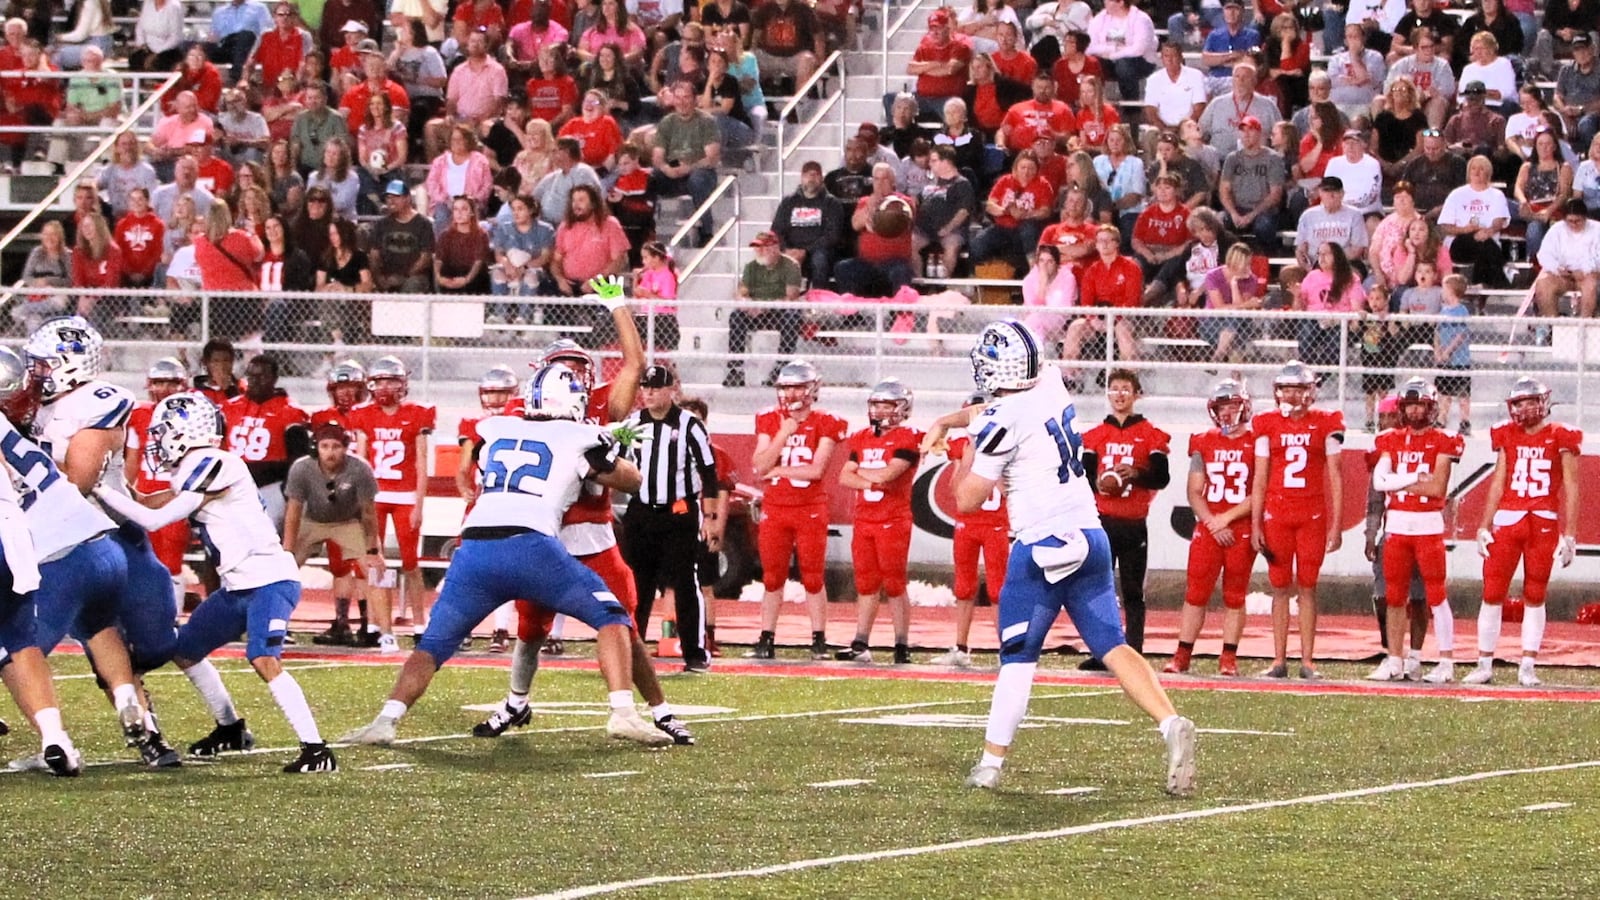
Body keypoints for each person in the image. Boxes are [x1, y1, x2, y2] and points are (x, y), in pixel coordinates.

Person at [918, 319, 1194, 794]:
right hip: (1090, 534)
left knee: (1019, 657)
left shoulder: (1002, 423)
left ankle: (989, 764)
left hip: (1042, 546)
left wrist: (956, 453)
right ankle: (1170, 723)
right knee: (1112, 643)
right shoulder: (1050, 380)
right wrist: (948, 420)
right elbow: (993, 410)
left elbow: (966, 498)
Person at [338, 363, 672, 750]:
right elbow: (630, 481)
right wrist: (616, 446)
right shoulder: (580, 435)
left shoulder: (496, 428)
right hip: (532, 547)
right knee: (612, 615)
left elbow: (488, 461)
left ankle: (386, 719)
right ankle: (623, 713)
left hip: (475, 549)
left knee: (432, 645)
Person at [96, 393, 337, 773]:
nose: (159, 440)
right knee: (185, 650)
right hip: (238, 587)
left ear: (184, 431)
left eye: (164, 432)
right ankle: (230, 728)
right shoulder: (198, 467)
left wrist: (100, 489)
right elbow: (152, 502)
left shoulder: (214, 461)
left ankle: (317, 749)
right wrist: (119, 489)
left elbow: (155, 519)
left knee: (263, 658)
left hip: (270, 581)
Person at [20, 319, 186, 767]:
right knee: (100, 629)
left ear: (71, 364)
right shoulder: (34, 406)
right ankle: (147, 731)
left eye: (44, 365)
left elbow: (79, 477)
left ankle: (59, 736)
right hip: (70, 540)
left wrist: (22, 451)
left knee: (154, 646)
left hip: (111, 534)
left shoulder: (97, 402)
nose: (34, 374)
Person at [1470, 376, 1581, 687]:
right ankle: (1484, 663)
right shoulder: (1506, 434)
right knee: (1492, 592)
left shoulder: (1561, 435)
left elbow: (1572, 488)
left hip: (1543, 520)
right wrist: (1483, 524)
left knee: (1535, 594)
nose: (1526, 407)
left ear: (1544, 402)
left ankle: (1528, 664)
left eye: (1531, 400)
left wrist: (1570, 533)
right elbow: (1498, 481)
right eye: (1520, 402)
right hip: (1508, 519)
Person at [619, 364, 720, 673]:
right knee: (638, 585)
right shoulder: (633, 422)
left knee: (685, 582)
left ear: (671, 390)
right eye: (645, 388)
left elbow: (708, 471)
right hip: (641, 511)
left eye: (655, 388)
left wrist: (711, 518)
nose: (648, 393)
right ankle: (630, 652)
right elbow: (617, 462)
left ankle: (695, 654)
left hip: (679, 511)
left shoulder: (690, 425)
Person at [1250, 361, 1345, 680]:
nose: (1292, 395)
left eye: (1298, 389)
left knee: (1307, 586)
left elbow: (1335, 475)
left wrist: (1336, 524)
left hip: (1311, 515)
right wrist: (1255, 524)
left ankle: (1308, 660)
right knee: (1279, 587)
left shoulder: (1325, 422)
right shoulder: (1266, 423)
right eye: (1287, 389)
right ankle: (1279, 660)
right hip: (1277, 514)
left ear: (1311, 391)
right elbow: (1260, 478)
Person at [746, 360, 846, 660]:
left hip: (809, 508)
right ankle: (766, 638)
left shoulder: (827, 421)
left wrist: (779, 470)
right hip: (776, 508)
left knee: (813, 576)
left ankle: (818, 639)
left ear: (813, 389)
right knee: (772, 577)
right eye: (786, 386)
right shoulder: (769, 419)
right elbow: (759, 467)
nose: (791, 393)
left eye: (798, 386)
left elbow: (816, 470)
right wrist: (783, 433)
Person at [1366, 378, 1463, 683]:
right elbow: (1380, 483)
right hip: (1396, 525)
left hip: (1427, 525)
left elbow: (1436, 487)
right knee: (1394, 597)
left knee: (1435, 595)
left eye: (1421, 404)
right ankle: (1395, 660)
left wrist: (1400, 479)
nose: (1416, 410)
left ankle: (1446, 661)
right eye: (1411, 405)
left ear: (1431, 407)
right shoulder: (1389, 439)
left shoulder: (1444, 439)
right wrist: (1413, 476)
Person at [1166, 379, 1256, 676]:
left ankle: (1228, 657)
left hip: (1239, 526)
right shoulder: (1203, 440)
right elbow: (1194, 491)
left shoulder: (1257, 443)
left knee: (1235, 595)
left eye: (1232, 407)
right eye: (1222, 408)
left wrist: (1225, 519)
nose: (1228, 413)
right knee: (1196, 593)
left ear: (1244, 407)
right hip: (1209, 526)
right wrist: (1212, 523)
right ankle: (1182, 654)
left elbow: (1261, 491)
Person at [1079, 370, 1170, 662]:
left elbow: (1161, 477)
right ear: (1108, 394)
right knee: (1098, 589)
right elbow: (1084, 476)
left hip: (1133, 523)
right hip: (1102, 521)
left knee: (1132, 590)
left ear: (1136, 395)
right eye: (1115, 389)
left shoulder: (1150, 434)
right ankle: (1102, 651)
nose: (1119, 394)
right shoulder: (1095, 435)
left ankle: (1134, 651)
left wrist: (1136, 474)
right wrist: (1102, 482)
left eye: (1125, 389)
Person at [347, 356, 435, 652]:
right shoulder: (364, 415)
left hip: (406, 495)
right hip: (375, 496)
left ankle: (420, 623)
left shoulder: (417, 414)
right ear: (371, 384)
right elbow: (359, 463)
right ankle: (374, 621)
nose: (386, 386)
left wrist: (421, 504)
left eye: (391, 380)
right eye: (380, 380)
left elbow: (422, 464)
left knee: (411, 562)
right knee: (375, 561)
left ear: (403, 383)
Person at [834, 379, 922, 665]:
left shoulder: (908, 437)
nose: (880, 411)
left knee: (895, 584)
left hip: (892, 520)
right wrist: (872, 481)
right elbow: (845, 476)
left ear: (902, 409)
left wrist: (866, 477)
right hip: (865, 519)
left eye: (887, 405)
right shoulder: (860, 437)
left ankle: (901, 644)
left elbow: (890, 474)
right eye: (877, 405)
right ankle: (861, 642)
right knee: (866, 584)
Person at [928, 391, 1007, 668]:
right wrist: (970, 457)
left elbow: (1008, 489)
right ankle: (960, 647)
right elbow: (954, 490)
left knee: (999, 588)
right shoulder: (963, 446)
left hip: (996, 524)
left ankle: (1005, 649)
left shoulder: (1005, 443)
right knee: (963, 586)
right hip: (968, 523)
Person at [454, 365, 520, 654]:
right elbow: (462, 466)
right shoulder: (473, 424)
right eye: (490, 394)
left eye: (501, 393)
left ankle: (501, 629)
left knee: (506, 567)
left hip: (513, 501)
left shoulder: (522, 421)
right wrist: (464, 488)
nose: (494, 400)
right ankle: (464, 625)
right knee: (468, 565)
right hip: (483, 501)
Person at [222, 353, 311, 533]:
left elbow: (298, 459)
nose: (255, 381)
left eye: (261, 376)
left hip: (270, 484)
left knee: (263, 537)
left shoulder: (290, 411)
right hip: (231, 484)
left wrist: (287, 493)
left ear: (274, 378)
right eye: (251, 376)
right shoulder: (229, 408)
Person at [723, 231, 804, 388]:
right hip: (755, 311)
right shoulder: (751, 267)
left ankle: (781, 367)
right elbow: (740, 293)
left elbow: (791, 296)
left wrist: (766, 306)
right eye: (757, 248)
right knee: (736, 316)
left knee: (792, 315)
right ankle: (735, 369)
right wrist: (747, 304)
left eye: (763, 248)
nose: (758, 251)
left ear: (774, 248)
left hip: (778, 311)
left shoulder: (790, 265)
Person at [649, 80, 721, 247]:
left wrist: (688, 168)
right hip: (674, 167)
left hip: (700, 168)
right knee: (650, 177)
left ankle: (706, 231)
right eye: (678, 97)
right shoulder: (667, 122)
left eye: (686, 97)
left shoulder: (706, 121)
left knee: (698, 180)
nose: (681, 102)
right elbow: (658, 156)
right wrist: (667, 168)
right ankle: (648, 229)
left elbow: (712, 158)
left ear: (695, 99)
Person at [1438, 154, 1511, 288]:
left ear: (1488, 173)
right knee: (1482, 242)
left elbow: (1499, 221)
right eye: (1473, 169)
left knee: (1483, 245)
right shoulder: (1456, 194)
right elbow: (1444, 227)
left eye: (1481, 169)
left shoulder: (1497, 195)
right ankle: (1504, 273)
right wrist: (1465, 230)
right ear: (1468, 172)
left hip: (1486, 243)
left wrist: (1489, 232)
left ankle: (1480, 284)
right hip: (1459, 243)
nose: (1477, 172)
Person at [771, 160, 845, 291]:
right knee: (769, 255)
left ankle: (818, 303)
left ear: (822, 178)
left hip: (818, 250)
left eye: (815, 175)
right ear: (801, 178)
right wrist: (786, 249)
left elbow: (832, 236)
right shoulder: (788, 202)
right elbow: (776, 230)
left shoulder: (832, 203)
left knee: (820, 260)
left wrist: (805, 250)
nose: (811, 178)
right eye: (807, 175)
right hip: (791, 249)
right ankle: (777, 303)